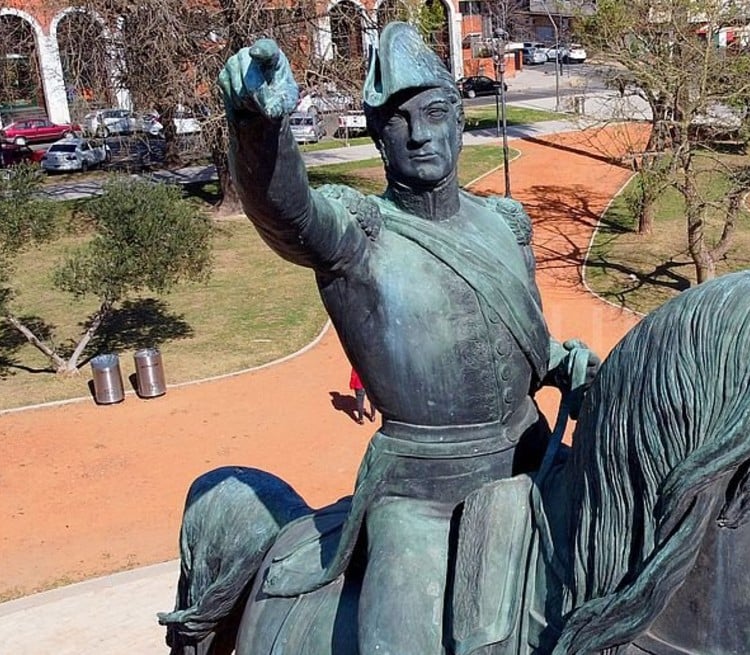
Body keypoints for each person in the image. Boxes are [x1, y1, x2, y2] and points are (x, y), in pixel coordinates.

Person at [217, 23, 597, 655]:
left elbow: (525, 338)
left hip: (536, 457)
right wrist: (260, 125)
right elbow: (288, 211)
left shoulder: (504, 223)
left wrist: (565, 364)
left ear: (459, 119)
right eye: (399, 121)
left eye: (435, 113)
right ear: (378, 137)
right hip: (422, 498)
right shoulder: (359, 236)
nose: (420, 134)